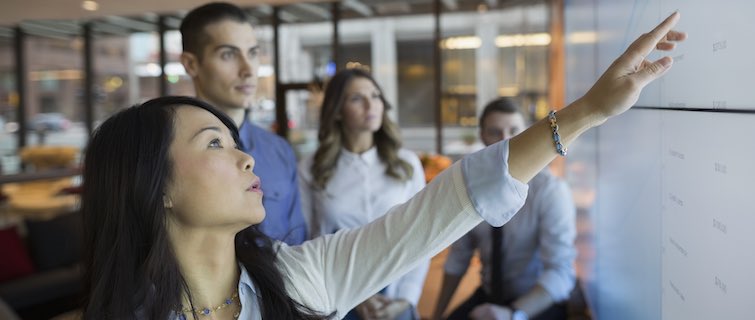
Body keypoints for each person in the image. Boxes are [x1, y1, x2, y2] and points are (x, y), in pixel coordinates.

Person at [79, 13, 686, 320]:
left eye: (235, 141)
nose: (244, 155)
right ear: (152, 184)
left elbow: (446, 205)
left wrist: (585, 113)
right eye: (213, 144)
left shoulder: (299, 280)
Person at [298, 68, 429, 320]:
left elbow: (421, 236)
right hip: (336, 296)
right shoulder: (311, 168)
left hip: (396, 294)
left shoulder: (406, 164)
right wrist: (355, 294)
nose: (371, 104)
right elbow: (306, 242)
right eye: (357, 98)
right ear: (337, 111)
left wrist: (406, 298)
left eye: (376, 95)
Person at [432, 98, 576, 320]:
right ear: (482, 136)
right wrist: (436, 315)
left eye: (515, 130)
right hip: (489, 296)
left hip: (536, 302)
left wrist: (512, 314)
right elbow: (458, 259)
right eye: (495, 132)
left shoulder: (550, 191)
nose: (507, 140)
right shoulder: (471, 187)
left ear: (528, 132)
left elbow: (560, 273)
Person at [179, 2, 307, 245]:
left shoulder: (278, 151)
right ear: (191, 64)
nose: (248, 70)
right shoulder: (171, 153)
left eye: (253, 53)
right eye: (228, 54)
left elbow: (298, 244)